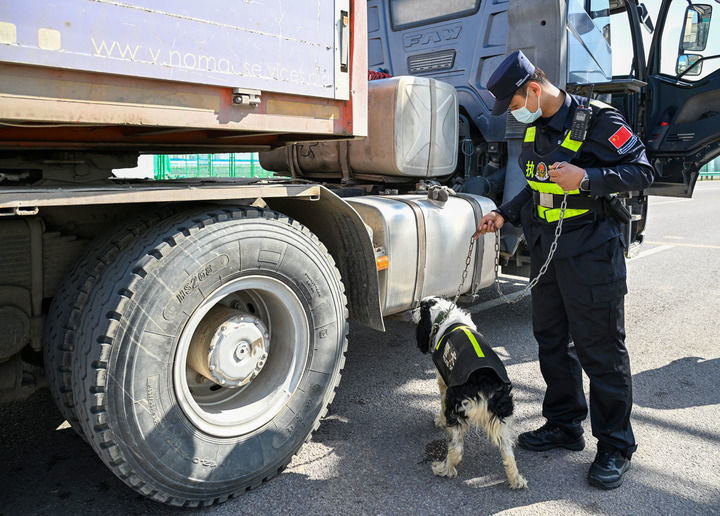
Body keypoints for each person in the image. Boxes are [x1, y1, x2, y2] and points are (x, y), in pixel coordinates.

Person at [473, 50, 654, 489]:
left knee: (602, 351)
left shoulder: (599, 122)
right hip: (547, 251)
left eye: (515, 104)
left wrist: (588, 179)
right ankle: (564, 424)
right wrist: (505, 213)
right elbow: (536, 188)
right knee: (552, 341)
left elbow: (643, 171)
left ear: (534, 89)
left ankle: (614, 445)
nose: (515, 113)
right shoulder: (536, 130)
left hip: (591, 250)